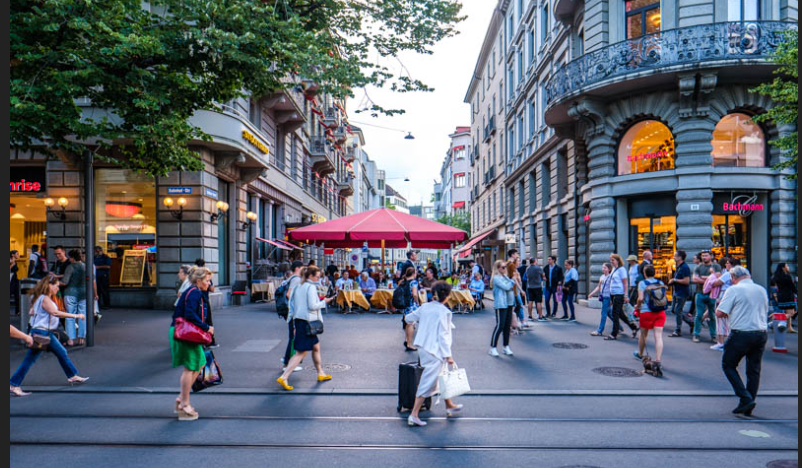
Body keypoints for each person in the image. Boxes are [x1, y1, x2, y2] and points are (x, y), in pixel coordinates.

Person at [10, 275, 89, 397]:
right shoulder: (45, 299)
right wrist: (76, 316)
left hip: (44, 332)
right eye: (56, 286)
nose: (58, 288)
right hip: (42, 333)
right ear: (49, 285)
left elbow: (31, 312)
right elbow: (55, 312)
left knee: (61, 352)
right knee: (30, 359)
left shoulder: (38, 298)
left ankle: (72, 375)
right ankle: (14, 384)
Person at [404, 281, 463, 426]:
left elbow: (408, 318)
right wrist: (448, 356)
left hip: (423, 348)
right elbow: (443, 336)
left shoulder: (425, 307)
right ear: (447, 296)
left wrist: (420, 324)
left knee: (442, 376)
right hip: (435, 351)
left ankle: (449, 405)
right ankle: (414, 415)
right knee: (428, 381)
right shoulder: (444, 312)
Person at [716, 266, 769, 415]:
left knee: (728, 365)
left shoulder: (734, 290)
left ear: (733, 278)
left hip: (741, 333)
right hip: (761, 333)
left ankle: (745, 399)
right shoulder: (761, 289)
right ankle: (748, 404)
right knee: (753, 370)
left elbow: (720, 313)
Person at [277, 266, 335, 391]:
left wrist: (292, 323)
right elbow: (312, 306)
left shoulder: (298, 286)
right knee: (301, 352)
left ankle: (320, 373)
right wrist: (325, 301)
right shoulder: (311, 287)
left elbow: (292, 306)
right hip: (307, 322)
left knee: (316, 346)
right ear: (310, 276)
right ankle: (284, 376)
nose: (318, 278)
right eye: (317, 276)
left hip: (299, 321)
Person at [170, 267, 215, 420]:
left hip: (184, 331)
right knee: (191, 367)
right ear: (198, 281)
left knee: (200, 362)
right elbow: (190, 314)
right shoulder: (195, 292)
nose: (209, 284)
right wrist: (206, 328)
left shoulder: (194, 291)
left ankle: (181, 398)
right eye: (207, 280)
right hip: (185, 331)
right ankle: (184, 404)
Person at [633, 265, 667, 375]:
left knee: (644, 334)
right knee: (658, 336)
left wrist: (637, 306)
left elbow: (641, 298)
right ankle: (658, 360)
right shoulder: (660, 283)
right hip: (660, 312)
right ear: (654, 272)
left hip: (647, 312)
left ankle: (641, 353)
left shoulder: (642, 283)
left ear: (644, 272)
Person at [605, 254, 639, 340]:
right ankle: (634, 327)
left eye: (613, 260)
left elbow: (625, 283)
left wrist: (626, 295)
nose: (611, 261)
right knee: (620, 314)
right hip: (613, 294)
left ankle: (614, 334)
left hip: (619, 294)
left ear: (617, 260)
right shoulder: (614, 270)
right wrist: (610, 296)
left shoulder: (622, 270)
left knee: (615, 314)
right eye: (610, 260)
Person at [692, 251, 721, 343]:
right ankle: (696, 334)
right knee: (699, 314)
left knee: (712, 315)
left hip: (712, 294)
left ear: (711, 256)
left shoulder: (716, 266)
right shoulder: (698, 267)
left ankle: (713, 335)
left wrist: (704, 278)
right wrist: (709, 279)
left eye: (706, 255)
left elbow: (718, 278)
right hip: (700, 293)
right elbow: (694, 279)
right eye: (702, 256)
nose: (704, 257)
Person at [281, 261, 305, 373]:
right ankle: (288, 364)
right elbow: (289, 294)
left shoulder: (291, 278)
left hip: (292, 313)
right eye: (302, 268)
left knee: (293, 338)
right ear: (297, 268)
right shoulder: (295, 279)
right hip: (294, 314)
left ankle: (287, 362)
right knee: (293, 339)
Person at [60, 249, 88, 347]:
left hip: (70, 293)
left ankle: (71, 340)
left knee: (70, 316)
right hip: (84, 293)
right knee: (83, 315)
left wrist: (54, 282)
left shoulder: (70, 267)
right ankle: (81, 338)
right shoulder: (85, 266)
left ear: (72, 257)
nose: (69, 259)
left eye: (70, 257)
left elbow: (65, 282)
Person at [489, 260, 515, 357]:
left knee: (507, 326)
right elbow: (507, 287)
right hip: (501, 304)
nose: (505, 269)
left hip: (509, 303)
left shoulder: (505, 277)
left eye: (505, 267)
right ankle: (493, 347)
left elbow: (510, 288)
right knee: (500, 326)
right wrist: (513, 281)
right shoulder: (496, 278)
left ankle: (506, 346)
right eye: (503, 267)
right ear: (498, 268)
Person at [668, 250, 693, 338]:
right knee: (674, 310)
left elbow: (687, 281)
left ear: (680, 257)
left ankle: (678, 330)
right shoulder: (679, 266)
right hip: (677, 291)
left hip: (682, 292)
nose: (674, 257)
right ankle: (691, 323)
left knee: (678, 310)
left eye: (675, 256)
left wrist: (674, 280)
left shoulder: (685, 267)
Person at [194, 258, 217, 347]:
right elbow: (212, 289)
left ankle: (202, 340)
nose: (208, 283)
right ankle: (210, 341)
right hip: (204, 301)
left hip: (200, 301)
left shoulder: (193, 277)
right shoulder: (204, 275)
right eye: (207, 281)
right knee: (207, 320)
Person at [588, 263, 613, 336]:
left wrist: (611, 299)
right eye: (602, 267)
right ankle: (618, 326)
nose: (603, 269)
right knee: (608, 313)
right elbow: (598, 287)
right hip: (603, 297)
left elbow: (612, 289)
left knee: (603, 313)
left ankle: (599, 330)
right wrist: (591, 294)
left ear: (609, 269)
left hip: (607, 297)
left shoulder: (610, 277)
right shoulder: (601, 277)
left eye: (605, 268)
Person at [771, 263, 797, 334]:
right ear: (783, 268)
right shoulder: (787, 276)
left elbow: (774, 287)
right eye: (787, 266)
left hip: (781, 296)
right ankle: (774, 323)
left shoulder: (776, 277)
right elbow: (792, 287)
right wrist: (796, 292)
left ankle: (789, 327)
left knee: (785, 312)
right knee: (791, 313)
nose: (788, 267)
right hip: (788, 296)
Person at [399, 267, 421, 351]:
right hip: (412, 305)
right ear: (413, 274)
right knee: (411, 323)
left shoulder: (403, 282)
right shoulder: (413, 282)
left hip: (405, 304)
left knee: (407, 323)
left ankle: (407, 341)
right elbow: (415, 294)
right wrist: (418, 302)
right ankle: (410, 344)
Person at [10, 251, 20, 316]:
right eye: (17, 254)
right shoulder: (10, 260)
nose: (18, 255)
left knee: (17, 295)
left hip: (15, 279)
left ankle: (18, 311)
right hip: (11, 280)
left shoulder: (15, 261)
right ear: (13, 255)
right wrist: (12, 264)